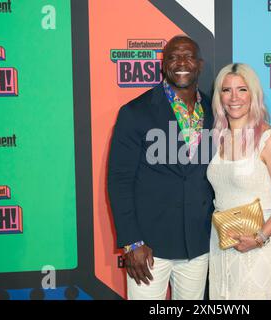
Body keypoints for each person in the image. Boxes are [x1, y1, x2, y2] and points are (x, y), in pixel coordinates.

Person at [107, 35, 215, 300]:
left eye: (188, 56)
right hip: (148, 249)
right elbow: (119, 180)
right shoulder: (135, 112)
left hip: (198, 246)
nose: (181, 62)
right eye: (173, 56)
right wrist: (132, 242)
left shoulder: (215, 110)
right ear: (163, 65)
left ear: (199, 65)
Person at [206, 63, 271, 300]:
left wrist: (259, 238)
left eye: (242, 90)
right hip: (221, 242)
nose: (234, 97)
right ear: (219, 97)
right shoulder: (218, 138)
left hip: (260, 244)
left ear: (253, 95)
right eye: (226, 90)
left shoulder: (270, 140)